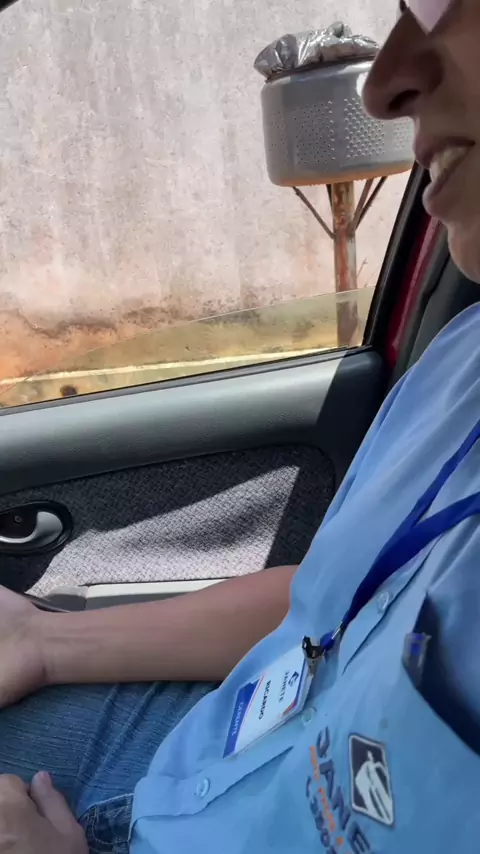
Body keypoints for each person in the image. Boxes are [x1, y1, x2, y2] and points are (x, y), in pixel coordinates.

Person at [0, 0, 478, 851]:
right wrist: (44, 640)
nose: (383, 85)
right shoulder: (461, 364)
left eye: (452, 5)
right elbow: (326, 605)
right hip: (205, 755)